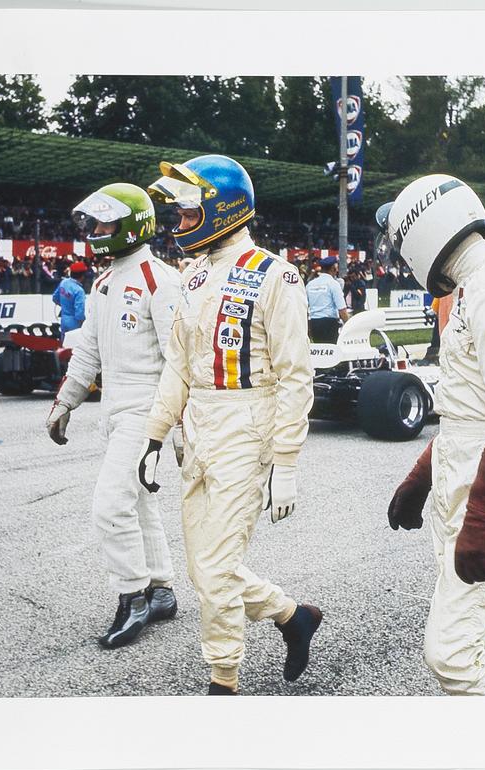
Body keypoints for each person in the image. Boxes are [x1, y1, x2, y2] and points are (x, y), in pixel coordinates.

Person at [136, 154, 323, 695]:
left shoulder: (276, 275)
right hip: (196, 426)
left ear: (223, 208)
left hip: (248, 424)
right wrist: (155, 433)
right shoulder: (193, 275)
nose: (179, 221)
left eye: (190, 210)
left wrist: (286, 463)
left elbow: (296, 375)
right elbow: (177, 362)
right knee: (203, 569)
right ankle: (293, 616)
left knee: (216, 571)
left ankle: (224, 683)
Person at [380, 174, 485, 695]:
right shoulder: (476, 287)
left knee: (451, 652)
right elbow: (468, 411)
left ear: (421, 233)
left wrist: (480, 518)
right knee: (466, 642)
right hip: (470, 478)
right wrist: (422, 476)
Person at [46, 183, 184, 649]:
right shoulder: (103, 282)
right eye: (96, 223)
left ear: (131, 225)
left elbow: (178, 360)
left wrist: (180, 429)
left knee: (109, 506)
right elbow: (88, 348)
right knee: (140, 502)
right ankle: (162, 589)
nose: (97, 231)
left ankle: (134, 598)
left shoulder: (159, 279)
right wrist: (65, 400)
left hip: (146, 411)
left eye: (106, 223)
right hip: (114, 410)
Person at [306, 254, 349, 344]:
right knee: (331, 352)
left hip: (314, 323)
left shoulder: (310, 284)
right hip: (329, 323)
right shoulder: (333, 284)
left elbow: (305, 307)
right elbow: (342, 309)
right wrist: (349, 325)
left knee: (319, 352)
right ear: (333, 268)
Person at [54, 261, 90, 333]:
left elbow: (55, 298)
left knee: (64, 343)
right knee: (75, 343)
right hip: (74, 322)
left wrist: (65, 306)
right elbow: (79, 313)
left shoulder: (64, 282)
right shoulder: (79, 291)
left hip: (63, 319)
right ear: (82, 275)